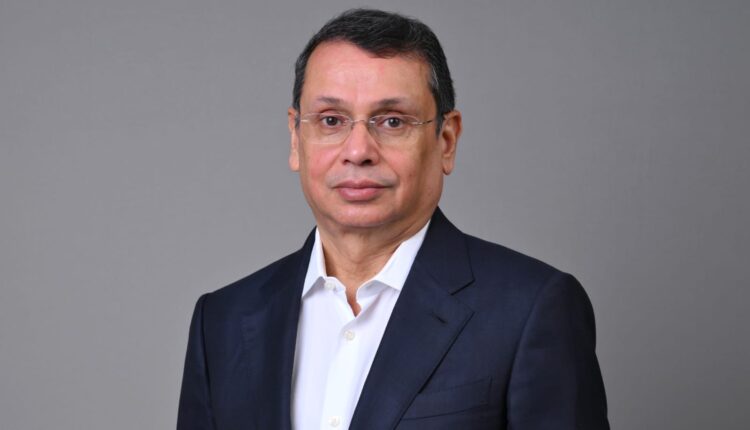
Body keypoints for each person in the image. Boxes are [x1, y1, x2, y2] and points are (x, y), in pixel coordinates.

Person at [177, 8, 609, 430]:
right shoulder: (223, 321)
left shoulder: (530, 309)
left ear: (446, 140)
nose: (358, 150)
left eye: (392, 121)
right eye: (331, 120)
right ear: (296, 138)